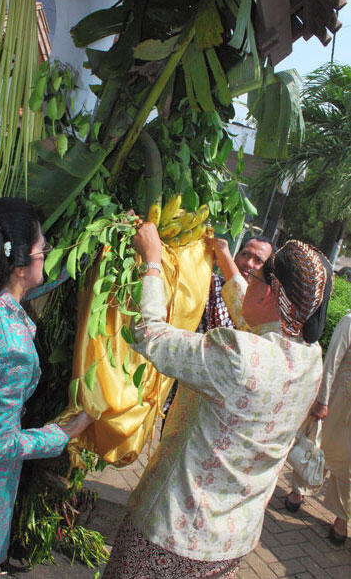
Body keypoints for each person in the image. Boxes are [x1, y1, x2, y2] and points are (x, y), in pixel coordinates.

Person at [102, 223, 332, 579]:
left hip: (175, 534)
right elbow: (253, 310)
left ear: (271, 294)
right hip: (231, 542)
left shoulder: (239, 356)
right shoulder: (309, 358)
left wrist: (151, 261)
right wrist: (226, 258)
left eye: (256, 279)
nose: (249, 281)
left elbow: (150, 335)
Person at [0, 198, 92, 579]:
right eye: (45, 250)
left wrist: (78, 261)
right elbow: (3, 445)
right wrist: (63, 433)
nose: (49, 254)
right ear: (20, 266)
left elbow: (16, 296)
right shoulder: (11, 349)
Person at [162, 235, 274, 432]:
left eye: (259, 261)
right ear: (236, 255)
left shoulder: (263, 317)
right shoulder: (207, 283)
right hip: (184, 392)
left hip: (223, 411)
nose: (248, 263)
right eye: (245, 254)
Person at [285, 312, 351, 545]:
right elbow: (332, 360)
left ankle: (341, 519)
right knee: (316, 444)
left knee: (347, 465)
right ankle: (298, 491)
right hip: (337, 400)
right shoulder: (350, 321)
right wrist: (322, 399)